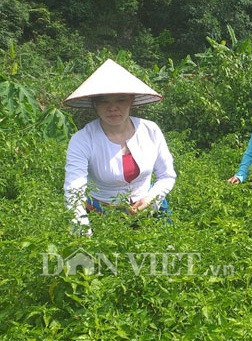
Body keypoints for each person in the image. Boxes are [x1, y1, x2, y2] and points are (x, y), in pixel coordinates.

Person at [63, 59, 176, 235]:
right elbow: (74, 189)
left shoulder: (150, 130)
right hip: (103, 215)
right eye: (104, 101)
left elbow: (167, 175)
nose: (112, 108)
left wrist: (149, 200)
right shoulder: (82, 139)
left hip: (150, 207)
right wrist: (83, 233)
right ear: (95, 104)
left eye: (120, 100)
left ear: (131, 101)